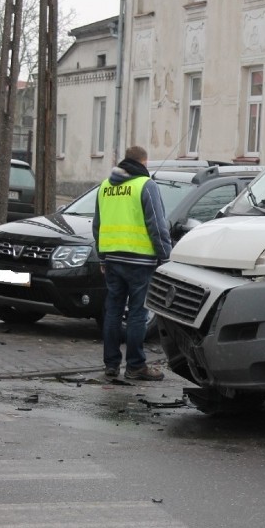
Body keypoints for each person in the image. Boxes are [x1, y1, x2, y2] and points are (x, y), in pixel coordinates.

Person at [93, 146, 172, 381]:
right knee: (138, 313)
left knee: (113, 311)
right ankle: (136, 366)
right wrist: (165, 255)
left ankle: (111, 364)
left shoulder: (105, 186)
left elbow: (97, 225)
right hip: (140, 260)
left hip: (112, 259)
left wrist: (102, 256)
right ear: (144, 162)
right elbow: (157, 225)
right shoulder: (145, 185)